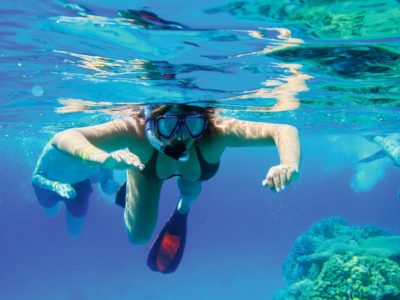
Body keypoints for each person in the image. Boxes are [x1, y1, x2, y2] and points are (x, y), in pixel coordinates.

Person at [49, 103, 301, 273]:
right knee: (138, 237)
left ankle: (184, 208)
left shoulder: (217, 132)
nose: (181, 137)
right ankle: (132, 171)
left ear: (205, 122)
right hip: (147, 169)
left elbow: (284, 130)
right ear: (151, 124)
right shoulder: (134, 131)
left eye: (192, 124)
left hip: (194, 172)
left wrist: (288, 164)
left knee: (190, 190)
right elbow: (63, 137)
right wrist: (99, 157)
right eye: (168, 126)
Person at [32, 141, 120, 237]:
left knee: (74, 233)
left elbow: (105, 185)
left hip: (79, 185)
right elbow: (36, 177)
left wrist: (109, 185)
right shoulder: (54, 147)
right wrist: (55, 186)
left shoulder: (101, 152)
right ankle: (55, 212)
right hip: (50, 184)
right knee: (51, 213)